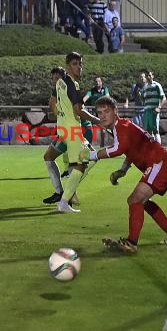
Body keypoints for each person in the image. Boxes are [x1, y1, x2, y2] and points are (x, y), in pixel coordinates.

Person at [80, 95, 167, 254]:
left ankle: (131, 242)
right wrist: (123, 170)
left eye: (106, 111)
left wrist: (89, 155)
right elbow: (129, 149)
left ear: (115, 111)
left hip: (161, 163)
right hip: (162, 163)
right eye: (99, 112)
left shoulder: (121, 127)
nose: (103, 115)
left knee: (135, 199)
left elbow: (117, 149)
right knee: (142, 201)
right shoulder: (122, 126)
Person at [53, 52, 100, 213]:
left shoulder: (60, 82)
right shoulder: (73, 85)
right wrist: (98, 121)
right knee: (82, 163)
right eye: (75, 64)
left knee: (88, 158)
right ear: (68, 65)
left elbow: (55, 102)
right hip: (73, 130)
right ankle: (65, 201)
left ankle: (70, 192)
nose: (79, 67)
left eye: (80, 64)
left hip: (63, 129)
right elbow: (78, 110)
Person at [42, 66, 95, 205]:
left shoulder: (69, 87)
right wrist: (56, 112)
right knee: (51, 157)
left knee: (86, 160)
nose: (55, 81)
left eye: (57, 78)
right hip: (66, 132)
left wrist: (96, 121)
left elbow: (79, 110)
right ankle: (63, 193)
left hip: (79, 130)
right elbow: (51, 101)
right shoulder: (59, 89)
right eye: (53, 79)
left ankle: (68, 192)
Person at [83, 77, 110, 146]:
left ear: (101, 82)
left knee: (103, 128)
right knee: (89, 129)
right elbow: (86, 97)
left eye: (98, 81)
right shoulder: (91, 91)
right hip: (93, 112)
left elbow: (108, 97)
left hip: (101, 112)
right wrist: (81, 103)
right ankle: (89, 145)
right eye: (95, 81)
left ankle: (102, 144)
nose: (97, 83)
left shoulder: (105, 89)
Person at [142, 70, 167, 143]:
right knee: (148, 130)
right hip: (147, 110)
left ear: (153, 76)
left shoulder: (157, 85)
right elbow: (144, 101)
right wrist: (141, 96)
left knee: (155, 130)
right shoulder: (145, 87)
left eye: (150, 75)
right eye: (147, 76)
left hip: (154, 110)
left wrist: (159, 107)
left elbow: (164, 98)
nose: (148, 77)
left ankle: (159, 148)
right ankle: (151, 148)